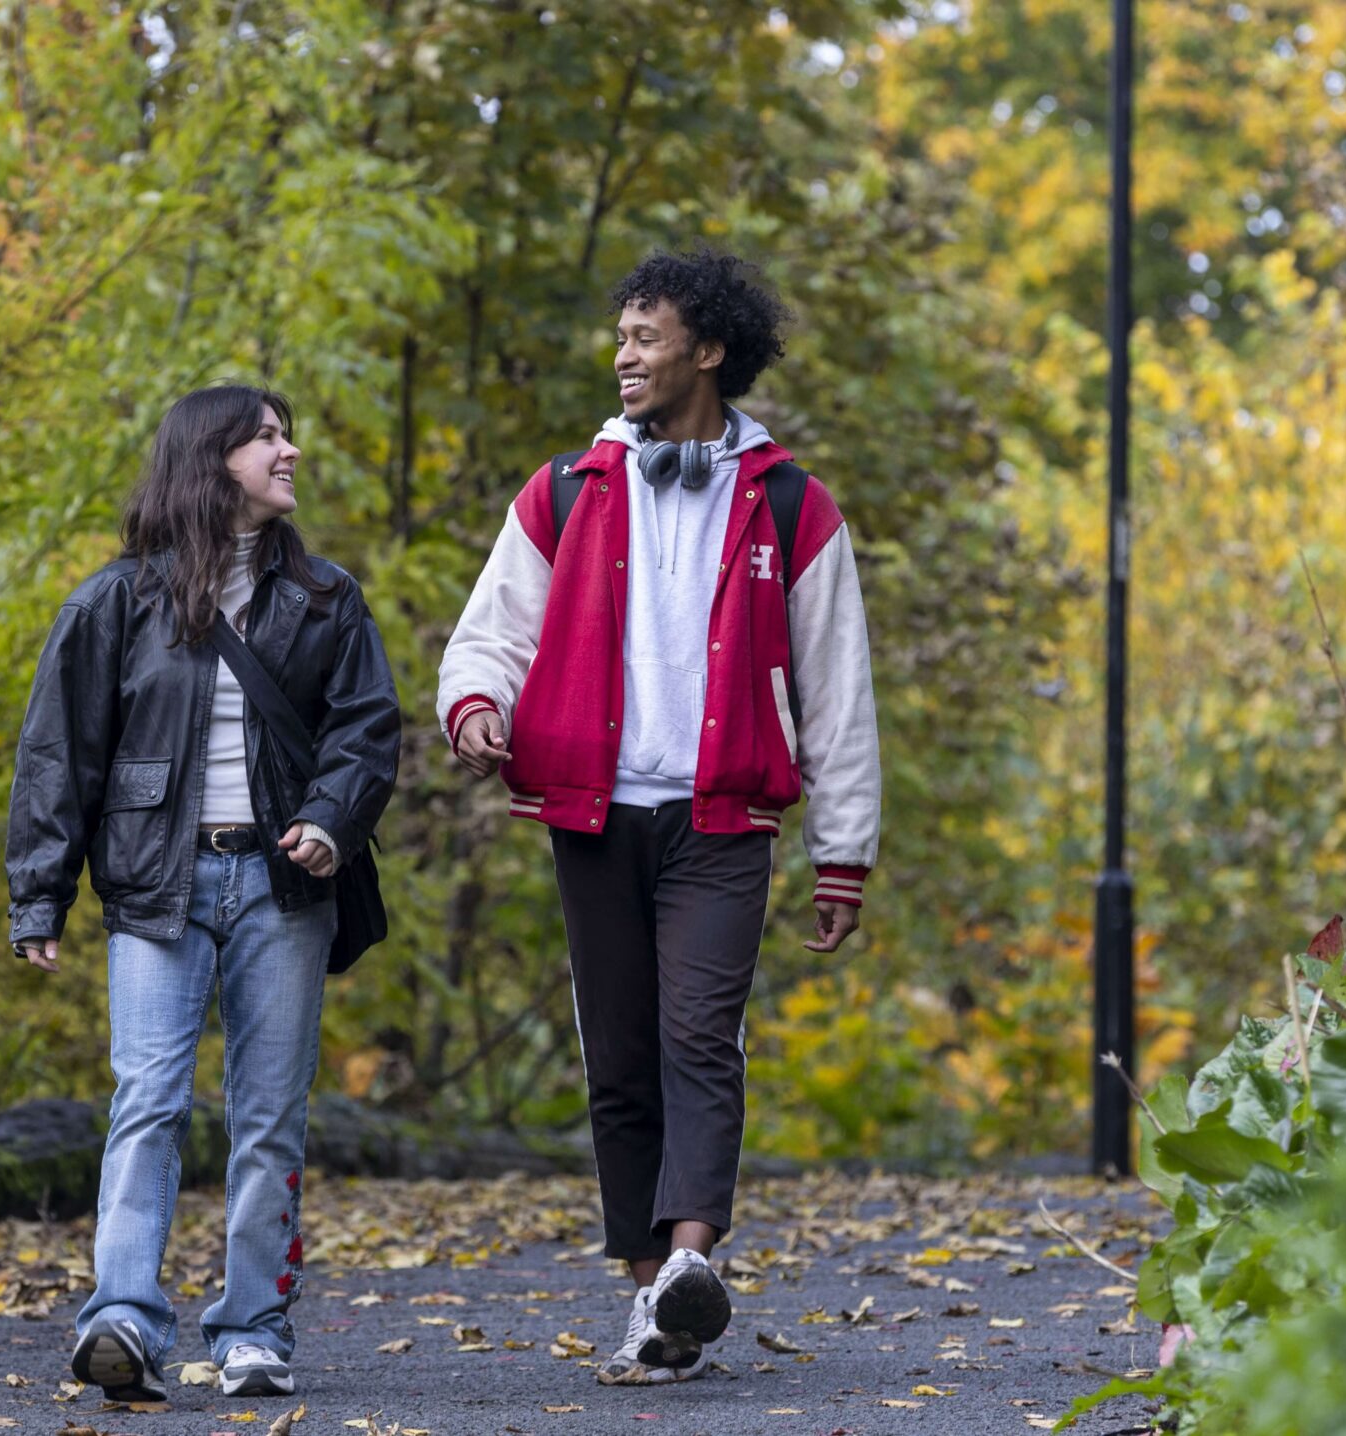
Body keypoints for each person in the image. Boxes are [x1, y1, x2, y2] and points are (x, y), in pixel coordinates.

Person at [435, 250, 881, 1386]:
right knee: (619, 1058)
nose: (623, 356)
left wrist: (845, 852)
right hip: (590, 810)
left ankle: (690, 1254)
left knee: (700, 1034)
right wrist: (476, 706)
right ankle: (654, 1296)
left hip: (721, 818)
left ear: (710, 349)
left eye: (645, 336)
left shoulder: (792, 502)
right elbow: (490, 632)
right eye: (619, 338)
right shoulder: (567, 489)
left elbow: (837, 687)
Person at [7, 384, 400, 1404]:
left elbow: (367, 728)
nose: (290, 449)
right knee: (147, 1102)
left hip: (282, 884)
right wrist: (37, 896)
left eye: (284, 432)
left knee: (269, 1115)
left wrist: (328, 816)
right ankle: (122, 1321)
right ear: (209, 457)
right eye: (266, 436)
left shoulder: (327, 596)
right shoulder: (115, 601)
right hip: (154, 886)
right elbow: (60, 755)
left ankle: (252, 1328)